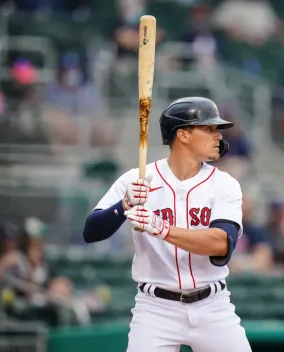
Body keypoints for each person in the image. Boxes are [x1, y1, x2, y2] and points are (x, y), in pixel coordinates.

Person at [83, 97, 252, 352]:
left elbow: (220, 243)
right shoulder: (138, 178)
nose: (218, 135)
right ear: (182, 135)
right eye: (208, 128)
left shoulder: (224, 184)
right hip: (155, 309)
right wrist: (124, 205)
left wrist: (161, 229)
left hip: (213, 305)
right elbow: (91, 231)